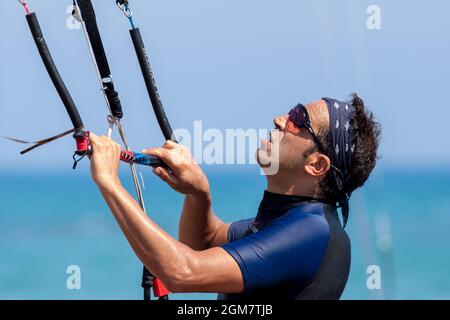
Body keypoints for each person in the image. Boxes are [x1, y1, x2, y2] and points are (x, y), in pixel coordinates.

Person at [88, 93, 381, 299]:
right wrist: (198, 194)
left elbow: (183, 272)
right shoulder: (288, 220)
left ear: (316, 165)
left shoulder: (312, 232)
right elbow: (202, 243)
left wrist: (109, 182)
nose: (279, 119)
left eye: (297, 119)